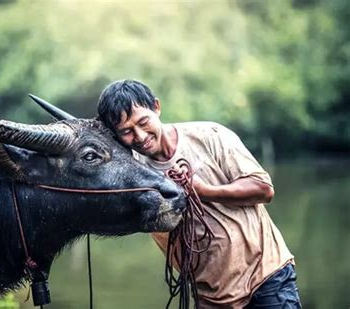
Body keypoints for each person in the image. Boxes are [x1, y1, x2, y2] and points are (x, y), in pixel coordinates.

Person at [97, 79, 301, 308]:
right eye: (126, 132)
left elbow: (263, 189)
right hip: (210, 295)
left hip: (265, 276)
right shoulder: (132, 172)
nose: (141, 136)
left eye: (143, 122)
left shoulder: (210, 135)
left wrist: (204, 192)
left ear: (157, 107)